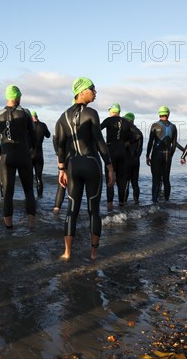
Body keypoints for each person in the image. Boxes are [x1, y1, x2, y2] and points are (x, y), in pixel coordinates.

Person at [54, 77, 114, 260]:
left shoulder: (62, 117)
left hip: (72, 166)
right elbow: (99, 140)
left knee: (71, 209)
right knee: (93, 210)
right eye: (92, 89)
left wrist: (61, 169)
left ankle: (67, 253)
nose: (95, 92)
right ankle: (93, 254)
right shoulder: (91, 113)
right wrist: (110, 166)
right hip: (92, 164)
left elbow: (60, 145)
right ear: (81, 92)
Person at [0, 86, 36, 228]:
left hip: (7, 156)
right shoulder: (25, 112)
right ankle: (30, 225)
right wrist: (33, 150)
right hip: (24, 154)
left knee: (8, 193)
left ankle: (9, 227)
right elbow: (33, 134)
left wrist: (0, 153)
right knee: (29, 190)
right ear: (17, 97)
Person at [100, 103, 142, 207]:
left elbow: (97, 130)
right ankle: (121, 205)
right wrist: (128, 142)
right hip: (122, 152)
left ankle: (110, 205)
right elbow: (139, 135)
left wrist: (100, 143)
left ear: (112, 111)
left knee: (110, 179)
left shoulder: (108, 120)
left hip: (111, 152)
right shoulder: (126, 122)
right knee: (121, 180)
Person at [145, 106, 182, 202]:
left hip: (156, 155)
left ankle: (154, 201)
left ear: (159, 114)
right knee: (166, 179)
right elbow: (174, 145)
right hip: (167, 155)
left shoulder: (155, 126)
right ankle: (167, 201)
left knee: (156, 179)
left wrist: (147, 155)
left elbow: (150, 142)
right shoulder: (173, 127)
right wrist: (170, 155)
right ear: (168, 114)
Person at [122, 112, 143, 204]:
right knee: (135, 183)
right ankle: (136, 202)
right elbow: (140, 149)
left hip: (127, 160)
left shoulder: (126, 133)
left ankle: (124, 204)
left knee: (126, 183)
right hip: (136, 160)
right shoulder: (139, 132)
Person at [30, 110, 51, 198]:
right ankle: (40, 197)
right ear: (37, 116)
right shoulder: (43, 125)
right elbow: (48, 135)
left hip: (29, 155)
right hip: (39, 154)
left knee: (29, 178)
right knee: (39, 178)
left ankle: (30, 197)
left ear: (31, 117)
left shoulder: (28, 126)